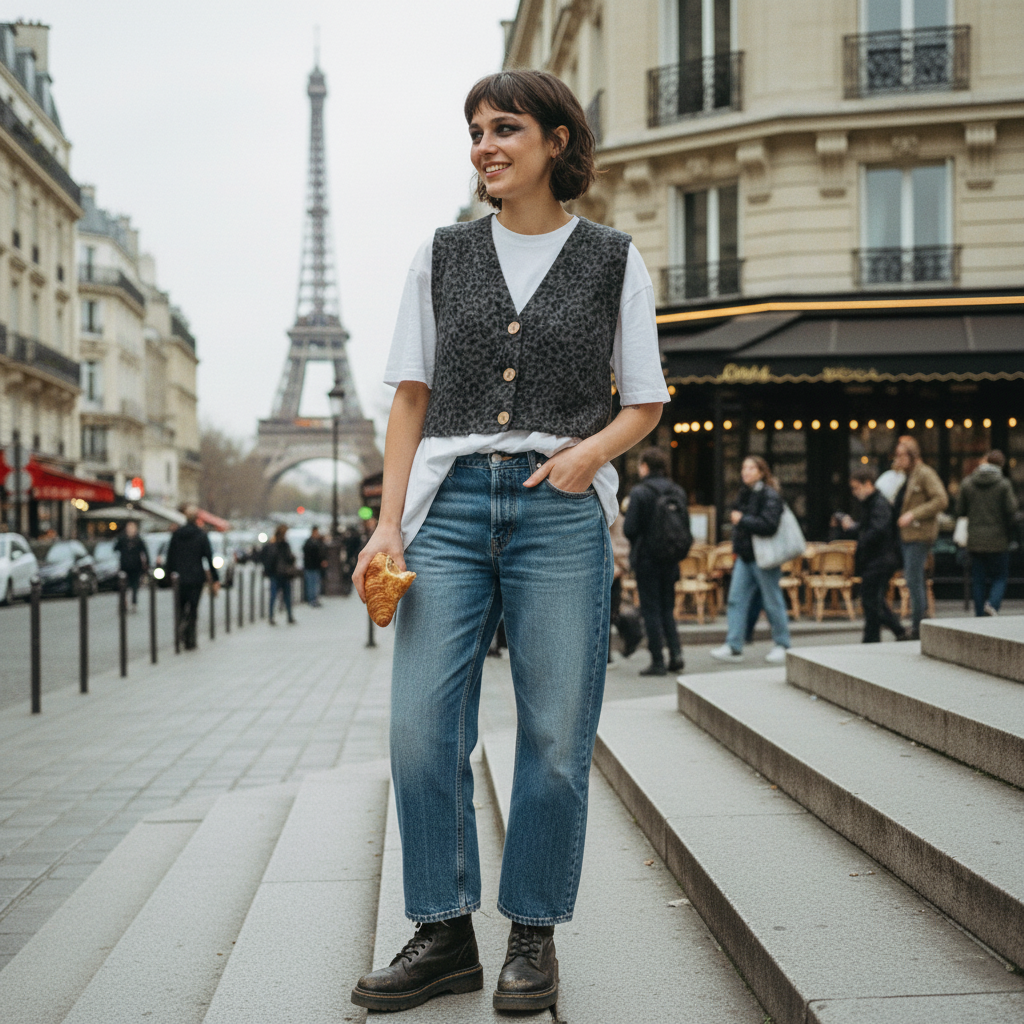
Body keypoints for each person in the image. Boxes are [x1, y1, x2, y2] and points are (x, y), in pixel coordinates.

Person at [348, 70, 667, 1014]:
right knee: (419, 728)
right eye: (476, 131)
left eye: (505, 128)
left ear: (557, 141)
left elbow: (645, 401)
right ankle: (444, 931)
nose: (485, 145)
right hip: (447, 509)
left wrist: (586, 458)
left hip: (557, 511)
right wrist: (388, 521)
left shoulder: (613, 258)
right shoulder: (442, 255)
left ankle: (533, 932)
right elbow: (411, 396)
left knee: (556, 735)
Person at [711, 456, 792, 664]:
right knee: (736, 600)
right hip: (745, 556)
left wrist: (743, 520)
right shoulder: (744, 493)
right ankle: (734, 645)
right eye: (743, 468)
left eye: (751, 468)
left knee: (772, 601)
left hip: (764, 557)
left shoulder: (769, 494)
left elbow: (769, 525)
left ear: (761, 472)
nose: (745, 472)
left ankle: (782, 645)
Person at [623, 447, 686, 676]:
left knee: (650, 609)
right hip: (670, 557)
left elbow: (630, 529)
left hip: (646, 558)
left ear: (645, 467)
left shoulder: (640, 492)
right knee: (667, 607)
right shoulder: (677, 490)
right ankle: (676, 654)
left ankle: (658, 661)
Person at [838, 467, 906, 643]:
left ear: (867, 484)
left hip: (880, 558)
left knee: (871, 599)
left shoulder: (878, 503)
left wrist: (861, 538)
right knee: (873, 599)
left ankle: (892, 632)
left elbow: (878, 529)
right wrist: (853, 528)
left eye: (856, 487)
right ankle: (877, 637)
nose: (854, 492)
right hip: (877, 558)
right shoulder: (872, 503)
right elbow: (869, 527)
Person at [892, 436, 948, 639]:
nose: (898, 459)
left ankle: (918, 626)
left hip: (918, 535)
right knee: (914, 579)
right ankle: (919, 624)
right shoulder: (906, 476)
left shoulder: (924, 473)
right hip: (907, 536)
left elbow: (941, 499)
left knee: (913, 579)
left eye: (901, 455)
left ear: (912, 455)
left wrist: (913, 514)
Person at [956, 450, 1019, 616]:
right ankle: (992, 604)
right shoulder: (1004, 484)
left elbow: (960, 510)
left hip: (975, 539)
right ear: (1001, 465)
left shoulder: (968, 483)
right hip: (999, 539)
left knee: (978, 580)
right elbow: (1011, 510)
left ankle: (979, 615)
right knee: (1000, 577)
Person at [165, 506, 218, 650]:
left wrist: (169, 574)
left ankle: (182, 629)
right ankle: (191, 638)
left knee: (181, 608)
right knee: (193, 609)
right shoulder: (201, 535)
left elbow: (170, 556)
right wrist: (215, 578)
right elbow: (209, 557)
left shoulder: (177, 534)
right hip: (196, 577)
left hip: (180, 577)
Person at [264, 524, 296, 625]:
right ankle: (273, 616)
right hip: (276, 574)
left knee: (285, 596)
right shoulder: (274, 545)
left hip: (283, 574)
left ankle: (288, 615)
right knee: (276, 596)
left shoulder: (284, 545)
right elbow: (268, 559)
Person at [113, 520, 148, 611]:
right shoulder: (122, 538)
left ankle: (134, 602)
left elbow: (145, 551)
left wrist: (147, 564)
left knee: (135, 585)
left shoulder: (138, 539)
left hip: (136, 566)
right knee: (124, 585)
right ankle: (124, 602)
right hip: (125, 565)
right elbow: (115, 548)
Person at [302, 526, 327, 607]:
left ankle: (314, 599)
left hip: (314, 566)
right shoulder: (310, 543)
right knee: (312, 585)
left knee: (315, 584)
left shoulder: (315, 542)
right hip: (311, 566)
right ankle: (312, 599)